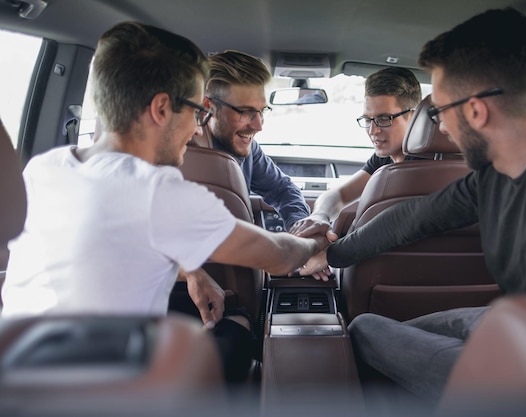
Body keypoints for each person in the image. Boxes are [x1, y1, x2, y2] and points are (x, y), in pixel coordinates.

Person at [300, 7, 526, 405]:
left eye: (437, 113)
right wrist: (330, 253)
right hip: (517, 329)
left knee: (364, 329)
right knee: (377, 327)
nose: (440, 128)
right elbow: (413, 218)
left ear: (476, 110)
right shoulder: (497, 174)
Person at [2, 21, 328, 384]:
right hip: (107, 390)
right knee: (235, 325)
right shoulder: (157, 189)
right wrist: (316, 241)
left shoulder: (43, 167)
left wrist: (191, 270)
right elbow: (279, 257)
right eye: (195, 111)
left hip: (18, 377)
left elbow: (109, 243)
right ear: (161, 108)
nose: (196, 126)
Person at [290, 67, 423, 238]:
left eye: (384, 119)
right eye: (368, 120)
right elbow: (340, 194)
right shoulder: (384, 159)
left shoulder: (426, 169)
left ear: (413, 117)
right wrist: (320, 216)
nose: (372, 131)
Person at [202, 50, 310, 231]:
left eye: (262, 111)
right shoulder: (180, 154)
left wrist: (300, 226)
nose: (259, 126)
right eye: (246, 112)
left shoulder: (249, 149)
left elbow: (282, 189)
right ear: (209, 107)